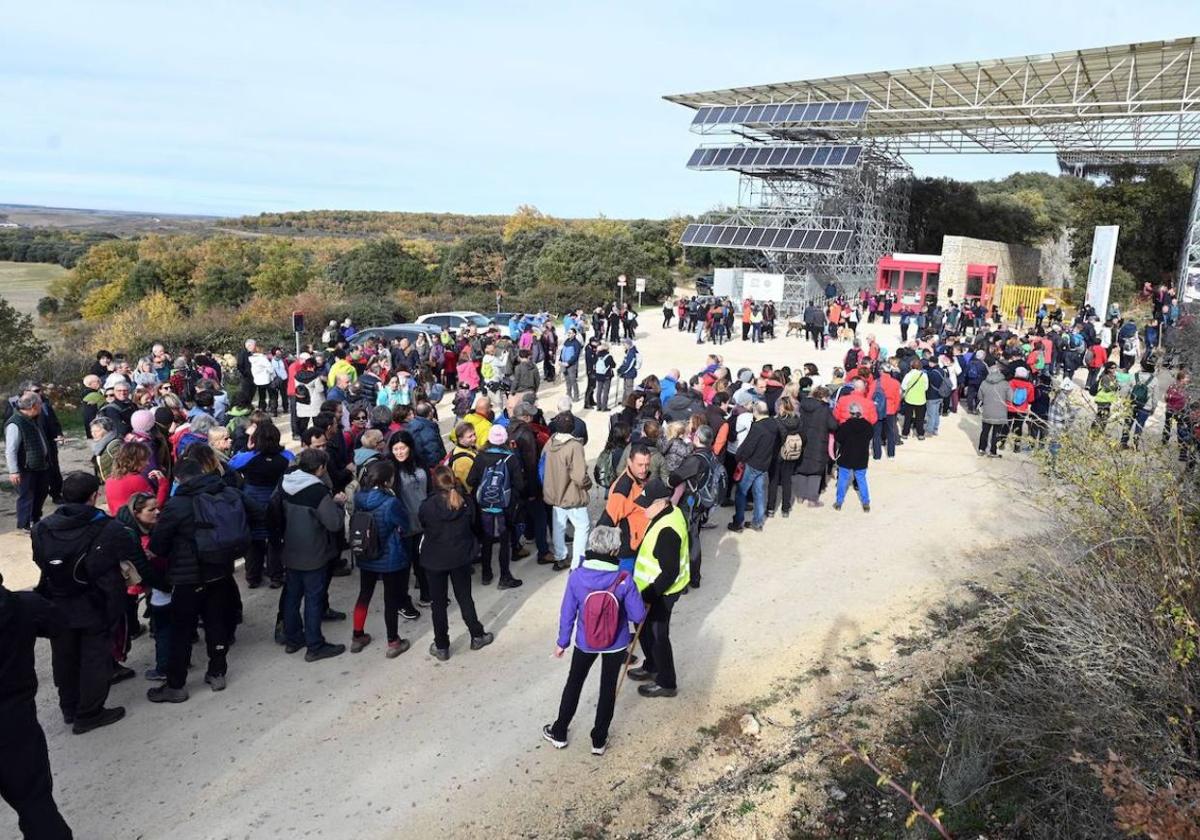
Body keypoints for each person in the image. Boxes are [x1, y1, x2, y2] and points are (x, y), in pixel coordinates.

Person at [31, 471, 133, 733]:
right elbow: (117, 560)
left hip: (56, 600)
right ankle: (89, 713)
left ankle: (69, 707)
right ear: (93, 496)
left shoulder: (42, 528)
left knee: (64, 656)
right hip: (93, 602)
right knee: (94, 658)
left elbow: (40, 560)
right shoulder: (107, 527)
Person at [147, 458, 253, 702]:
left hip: (188, 577)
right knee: (216, 623)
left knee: (182, 630)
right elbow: (255, 513)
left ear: (177, 480)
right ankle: (217, 673)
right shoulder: (225, 492)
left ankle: (176, 685)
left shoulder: (177, 505)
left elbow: (159, 545)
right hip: (220, 570)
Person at [542, 525, 647, 754]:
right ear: (614, 551)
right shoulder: (623, 578)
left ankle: (559, 732)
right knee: (607, 689)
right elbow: (638, 615)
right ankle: (598, 741)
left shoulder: (577, 576)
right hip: (616, 643)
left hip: (585, 642)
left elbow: (567, 612)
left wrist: (562, 643)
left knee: (574, 683)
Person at [0, 572, 74, 839]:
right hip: (15, 721)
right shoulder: (24, 605)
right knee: (35, 802)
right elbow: (59, 624)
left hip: (15, 717)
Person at [276, 448, 346, 662]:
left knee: (292, 596)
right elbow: (333, 523)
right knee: (314, 599)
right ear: (321, 468)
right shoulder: (317, 491)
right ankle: (315, 645)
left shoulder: (286, 482)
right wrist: (339, 505)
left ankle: (293, 638)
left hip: (290, 548)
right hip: (314, 552)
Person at [419, 466, 494, 661]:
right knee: (465, 598)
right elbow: (474, 526)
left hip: (434, 559)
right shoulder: (466, 503)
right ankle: (477, 635)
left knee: (438, 604)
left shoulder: (427, 506)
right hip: (460, 557)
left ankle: (442, 645)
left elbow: (423, 524)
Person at [625, 478, 690, 698]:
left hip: (661, 593)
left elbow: (669, 571)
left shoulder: (668, 530)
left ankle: (666, 682)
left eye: (647, 504)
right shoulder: (666, 513)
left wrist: (649, 596)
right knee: (643, 630)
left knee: (658, 635)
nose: (642, 508)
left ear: (662, 503)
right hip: (648, 589)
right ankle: (652, 666)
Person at [349, 460, 412, 658]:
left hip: (366, 553)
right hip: (389, 556)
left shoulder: (359, 497)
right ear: (387, 480)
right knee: (390, 599)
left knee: (364, 594)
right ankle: (393, 641)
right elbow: (405, 524)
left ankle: (357, 635)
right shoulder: (390, 502)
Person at [229, 423, 293, 589]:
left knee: (254, 542)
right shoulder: (287, 457)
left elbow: (231, 464)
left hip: (252, 502)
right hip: (276, 502)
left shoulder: (249, 457)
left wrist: (247, 448)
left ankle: (253, 577)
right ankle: (276, 576)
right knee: (275, 540)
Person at [467, 425, 525, 589]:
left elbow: (471, 480)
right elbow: (519, 485)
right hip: (504, 508)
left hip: (485, 506)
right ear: (505, 439)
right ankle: (505, 576)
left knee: (487, 540)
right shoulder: (510, 458)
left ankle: (486, 574)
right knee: (504, 541)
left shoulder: (480, 456)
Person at [388, 430, 431, 614]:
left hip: (423, 521)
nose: (399, 452)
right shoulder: (390, 469)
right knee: (404, 566)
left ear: (410, 448)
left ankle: (426, 594)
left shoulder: (420, 463)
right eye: (395, 449)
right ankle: (402, 602)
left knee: (422, 560)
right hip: (404, 526)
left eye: (402, 448)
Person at [543, 412, 592, 571]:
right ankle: (577, 562)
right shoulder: (574, 446)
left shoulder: (550, 442)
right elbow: (579, 476)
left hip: (554, 493)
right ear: (573, 427)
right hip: (572, 495)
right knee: (582, 526)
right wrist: (587, 483)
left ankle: (560, 557)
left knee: (559, 526)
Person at [6, 392, 51, 530]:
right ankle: (24, 525)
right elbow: (11, 449)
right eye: (39, 403)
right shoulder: (15, 423)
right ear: (32, 406)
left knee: (41, 492)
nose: (41, 406)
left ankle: (35, 520)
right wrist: (14, 471)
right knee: (27, 497)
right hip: (26, 468)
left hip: (40, 464)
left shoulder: (33, 419)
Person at [729, 401, 777, 532]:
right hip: (764, 464)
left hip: (752, 464)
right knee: (759, 493)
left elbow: (747, 447)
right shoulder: (774, 424)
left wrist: (738, 457)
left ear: (755, 412)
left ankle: (738, 522)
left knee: (741, 492)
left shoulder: (757, 427)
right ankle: (757, 522)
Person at [796, 387, 837, 506]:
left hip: (803, 439)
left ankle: (800, 495)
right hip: (819, 440)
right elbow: (833, 425)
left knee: (801, 466)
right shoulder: (824, 409)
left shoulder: (802, 405)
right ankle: (812, 499)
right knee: (815, 469)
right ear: (824, 397)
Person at [833, 403, 873, 512]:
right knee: (861, 479)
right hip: (861, 456)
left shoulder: (845, 426)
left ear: (850, 413)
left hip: (846, 455)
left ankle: (839, 502)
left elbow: (838, 438)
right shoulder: (868, 426)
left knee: (842, 479)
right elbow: (870, 436)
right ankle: (866, 502)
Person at [977, 365, 1010, 457]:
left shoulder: (984, 383)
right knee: (996, 432)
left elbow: (980, 396)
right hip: (1000, 411)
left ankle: (981, 449)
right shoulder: (1005, 384)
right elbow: (1010, 398)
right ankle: (993, 451)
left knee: (985, 431)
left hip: (987, 410)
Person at [899, 359, 929, 439]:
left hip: (910, 399)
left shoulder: (909, 375)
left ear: (911, 366)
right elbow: (926, 387)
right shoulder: (924, 375)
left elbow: (903, 386)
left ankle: (905, 433)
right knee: (920, 418)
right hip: (921, 399)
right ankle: (920, 434)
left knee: (908, 417)